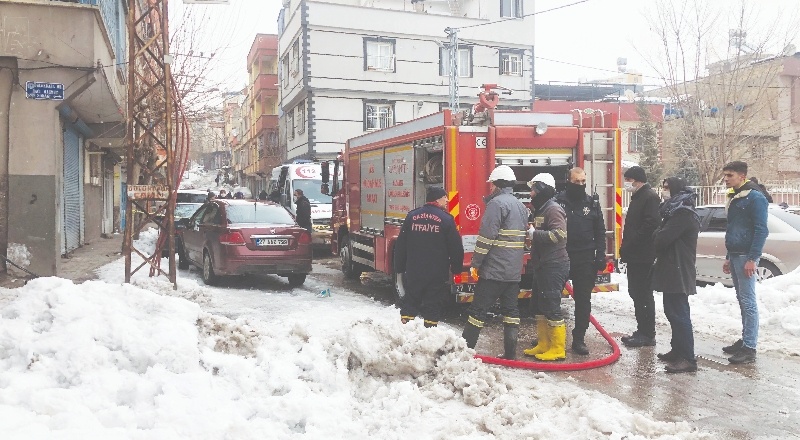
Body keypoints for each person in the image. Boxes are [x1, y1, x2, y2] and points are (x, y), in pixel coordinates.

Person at [461, 165, 528, 359]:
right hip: (513, 273)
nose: (490, 188)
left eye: (491, 185)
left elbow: (486, 238)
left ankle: (464, 352)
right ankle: (510, 354)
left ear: (497, 185)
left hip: (494, 271)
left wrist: (475, 263)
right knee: (511, 312)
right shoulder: (520, 206)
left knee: (477, 311)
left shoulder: (496, 204)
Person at [394, 187, 464, 328]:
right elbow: (456, 247)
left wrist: (399, 267)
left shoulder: (412, 216)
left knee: (410, 300)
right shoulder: (446, 219)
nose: (447, 200)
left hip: (414, 271)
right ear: (437, 199)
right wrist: (457, 269)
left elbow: (401, 245)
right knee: (433, 304)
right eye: (445, 197)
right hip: (436, 273)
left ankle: (405, 330)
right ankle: (429, 331)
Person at [554, 167, 606, 356]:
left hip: (585, 258)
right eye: (577, 182)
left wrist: (601, 254)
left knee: (583, 301)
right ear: (568, 181)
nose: (580, 185)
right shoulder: (558, 202)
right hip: (562, 256)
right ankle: (550, 336)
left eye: (583, 181)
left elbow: (600, 231)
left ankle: (579, 339)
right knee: (551, 298)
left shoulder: (591, 204)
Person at [652, 177, 700, 373]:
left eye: (667, 188)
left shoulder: (682, 214)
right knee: (672, 311)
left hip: (679, 269)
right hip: (672, 268)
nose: (664, 191)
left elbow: (660, 239)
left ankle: (687, 358)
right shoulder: (674, 211)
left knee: (679, 314)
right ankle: (677, 350)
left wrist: (658, 232)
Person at [722, 161, 769, 364]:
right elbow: (733, 228)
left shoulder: (755, 197)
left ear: (742, 176)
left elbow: (761, 230)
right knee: (742, 299)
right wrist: (728, 256)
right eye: (725, 175)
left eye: (730, 175)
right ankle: (745, 340)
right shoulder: (736, 196)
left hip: (745, 256)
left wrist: (752, 258)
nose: (726, 179)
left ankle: (750, 347)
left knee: (748, 301)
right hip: (735, 254)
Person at [522, 173, 570, 361]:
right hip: (543, 265)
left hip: (554, 265)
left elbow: (559, 235)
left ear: (542, 190)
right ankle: (544, 344)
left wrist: (535, 234)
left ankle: (557, 349)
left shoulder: (553, 209)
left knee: (551, 306)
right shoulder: (541, 209)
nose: (531, 193)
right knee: (539, 306)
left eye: (533, 190)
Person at [619, 166, 661, 347]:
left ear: (637, 180)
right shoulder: (639, 197)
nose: (626, 183)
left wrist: (633, 241)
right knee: (635, 292)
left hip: (643, 255)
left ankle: (647, 333)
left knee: (642, 294)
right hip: (635, 254)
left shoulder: (649, 197)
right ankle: (641, 329)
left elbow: (650, 224)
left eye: (628, 180)